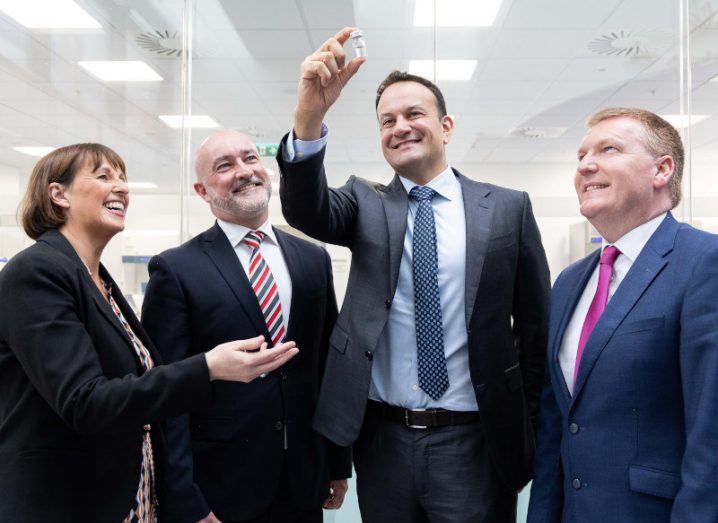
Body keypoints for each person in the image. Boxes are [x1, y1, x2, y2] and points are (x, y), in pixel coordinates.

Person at [277, 27, 551, 522]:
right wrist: (309, 116)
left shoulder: (507, 209)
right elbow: (304, 209)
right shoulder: (364, 202)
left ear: (446, 126)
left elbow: (535, 331)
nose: (399, 126)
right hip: (383, 442)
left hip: (476, 441)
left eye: (413, 114)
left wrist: (527, 427)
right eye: (387, 121)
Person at [0, 143, 298, 523]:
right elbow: (84, 402)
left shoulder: (97, 280)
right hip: (63, 498)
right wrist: (207, 367)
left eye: (123, 177)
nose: (122, 187)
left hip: (126, 493)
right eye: (104, 176)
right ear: (59, 195)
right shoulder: (37, 273)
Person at [141, 130, 351, 523]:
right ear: (203, 191)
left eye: (250, 158)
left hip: (304, 479)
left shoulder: (313, 259)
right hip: (220, 486)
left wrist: (337, 462)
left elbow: (327, 367)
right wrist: (184, 496)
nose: (244, 171)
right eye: (225, 166)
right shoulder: (176, 269)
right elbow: (168, 392)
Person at [527, 108, 718, 522]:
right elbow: (556, 424)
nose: (585, 165)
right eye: (580, 156)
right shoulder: (570, 282)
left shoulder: (704, 262)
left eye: (608, 149)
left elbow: (711, 429)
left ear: (662, 169)